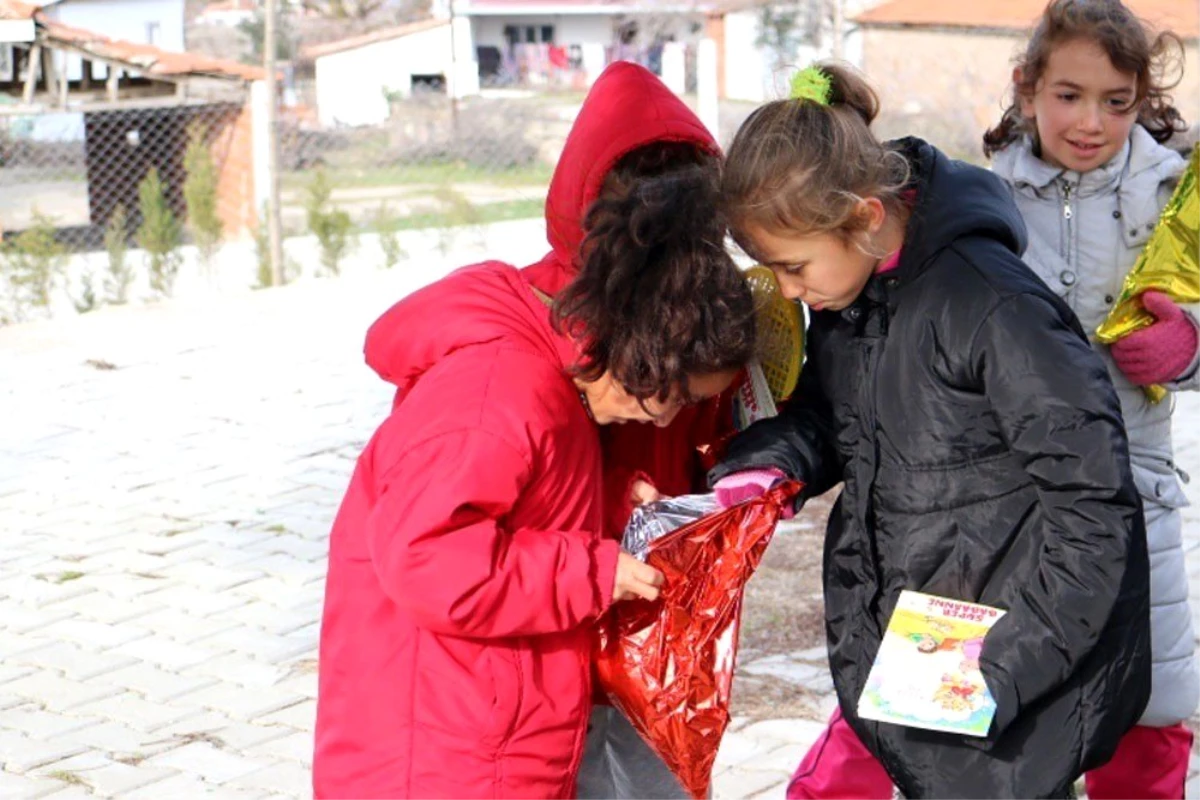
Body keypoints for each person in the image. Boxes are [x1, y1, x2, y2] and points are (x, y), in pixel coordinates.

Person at [312, 62, 757, 797]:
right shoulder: (502, 393)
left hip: (498, 723)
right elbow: (425, 555)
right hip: (444, 747)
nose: (673, 421)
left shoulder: (574, 384)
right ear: (635, 349)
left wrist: (619, 509)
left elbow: (533, 502)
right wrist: (590, 570)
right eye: (666, 403)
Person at [709, 60, 1151, 800]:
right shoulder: (854, 299)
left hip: (1009, 665)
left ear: (865, 217)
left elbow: (1094, 509)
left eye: (792, 268)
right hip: (923, 646)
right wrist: (772, 460)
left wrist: (1000, 670)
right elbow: (832, 410)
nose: (786, 291)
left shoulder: (992, 308)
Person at [984, 2, 1200, 797]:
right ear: (1027, 86)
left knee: (1146, 714)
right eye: (1069, 94)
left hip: (1135, 495)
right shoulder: (979, 202)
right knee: (1008, 714)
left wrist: (1192, 346)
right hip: (1012, 502)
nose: (1091, 122)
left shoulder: (1181, 194)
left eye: (1118, 101)